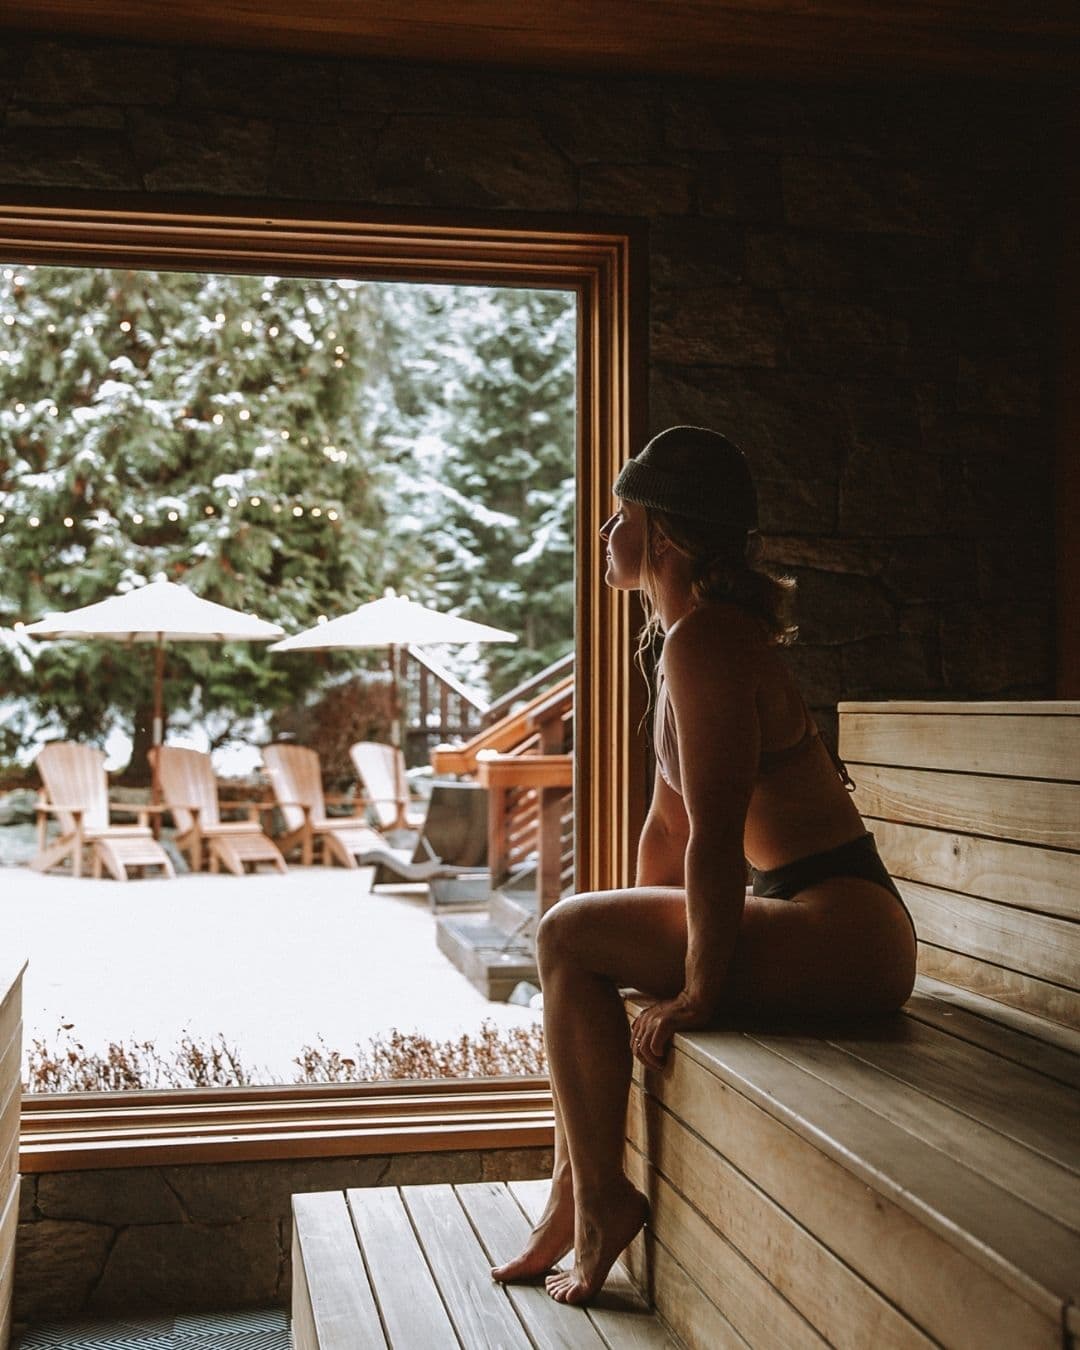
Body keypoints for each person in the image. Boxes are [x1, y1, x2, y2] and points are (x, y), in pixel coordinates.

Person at [490, 425, 917, 1305]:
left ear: (666, 535)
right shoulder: (680, 639)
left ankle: (597, 1199)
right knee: (579, 935)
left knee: (567, 932)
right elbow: (667, 823)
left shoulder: (709, 642)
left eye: (621, 516)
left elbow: (716, 837)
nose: (606, 535)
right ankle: (573, 1197)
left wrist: (695, 990)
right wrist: (634, 942)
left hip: (845, 930)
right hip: (813, 917)